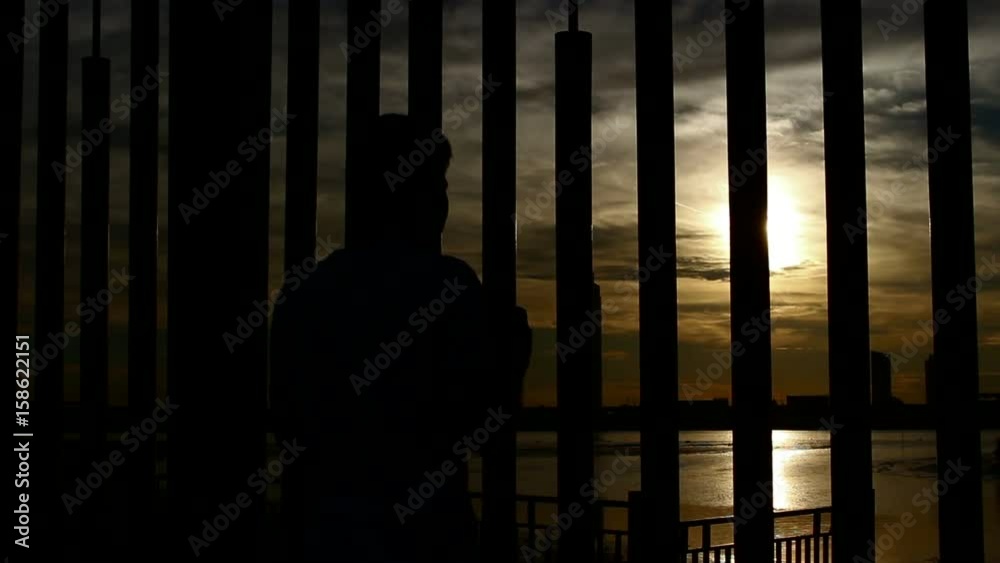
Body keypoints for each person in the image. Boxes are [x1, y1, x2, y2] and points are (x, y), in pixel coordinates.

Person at [270, 114, 532, 562]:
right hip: (429, 537)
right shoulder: (448, 286)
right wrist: (513, 361)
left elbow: (289, 425)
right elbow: (485, 427)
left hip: (326, 537)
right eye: (438, 186)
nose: (444, 202)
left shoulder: (304, 293)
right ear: (415, 194)